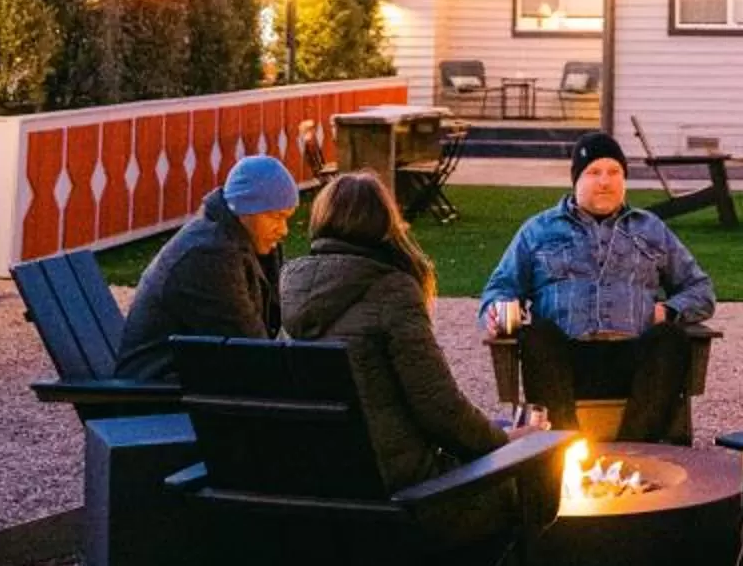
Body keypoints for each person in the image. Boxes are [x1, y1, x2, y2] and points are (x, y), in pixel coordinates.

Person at [477, 130, 717, 443]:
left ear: (625, 179)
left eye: (614, 172)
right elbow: (499, 289)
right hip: (566, 360)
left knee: (670, 339)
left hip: (634, 359)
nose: (605, 181)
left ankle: (634, 450)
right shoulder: (538, 231)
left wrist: (670, 312)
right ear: (576, 180)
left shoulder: (651, 229)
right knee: (537, 334)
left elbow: (701, 291)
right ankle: (563, 450)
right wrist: (496, 312)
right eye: (593, 172)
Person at [281, 169, 504, 490]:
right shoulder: (393, 292)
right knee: (523, 477)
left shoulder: (292, 287)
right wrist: (505, 439)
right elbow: (440, 409)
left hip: (320, 480)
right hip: (399, 491)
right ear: (386, 223)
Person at [113, 152, 300, 383]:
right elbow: (253, 351)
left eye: (286, 218)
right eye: (275, 216)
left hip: (198, 381)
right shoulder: (209, 254)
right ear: (244, 209)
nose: (283, 230)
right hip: (157, 392)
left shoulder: (248, 242)